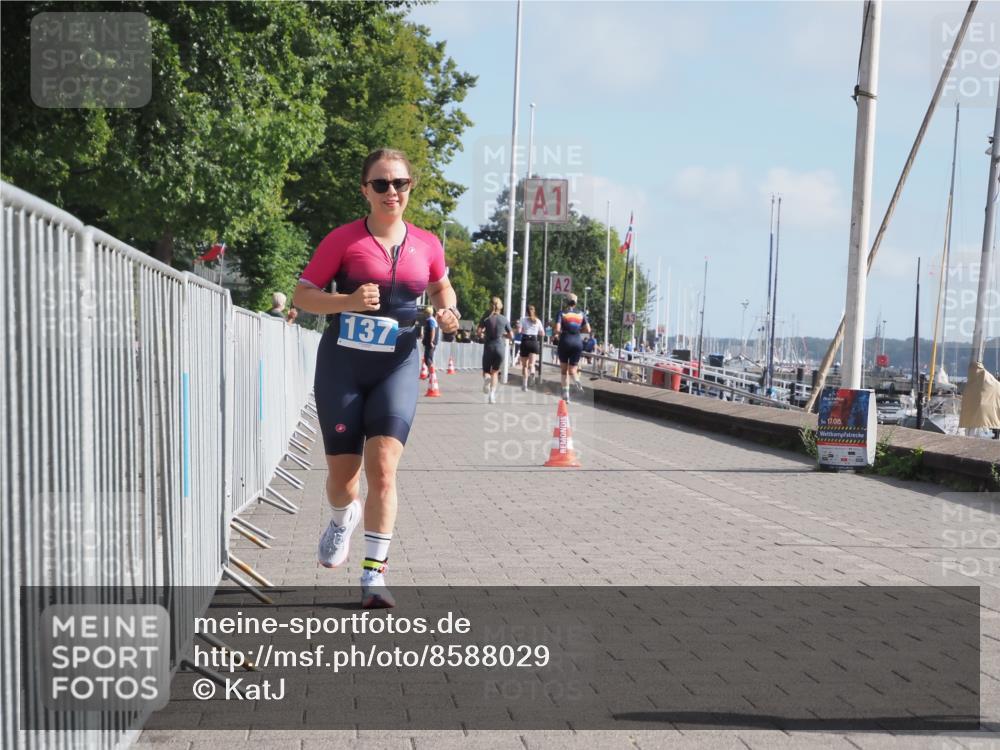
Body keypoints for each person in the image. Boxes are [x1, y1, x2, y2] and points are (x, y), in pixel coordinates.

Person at [292, 148, 460, 609]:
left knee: (383, 469)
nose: (392, 192)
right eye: (381, 184)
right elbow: (303, 296)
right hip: (343, 364)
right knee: (342, 479)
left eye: (400, 183)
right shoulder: (343, 241)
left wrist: (449, 311)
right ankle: (341, 518)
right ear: (365, 189)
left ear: (410, 188)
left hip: (398, 363)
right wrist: (345, 300)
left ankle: (374, 575)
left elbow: (441, 284)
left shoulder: (427, 243)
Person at [554, 294, 591, 402]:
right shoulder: (581, 314)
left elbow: (557, 329)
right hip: (577, 342)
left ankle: (566, 396)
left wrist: (559, 333)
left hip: (565, 341)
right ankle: (577, 382)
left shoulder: (562, 313)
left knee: (564, 371)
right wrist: (578, 331)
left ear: (567, 302)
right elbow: (588, 330)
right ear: (576, 302)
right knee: (573, 370)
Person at [477, 297, 512, 403]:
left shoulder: (486, 318)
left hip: (489, 347)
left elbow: (479, 332)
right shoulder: (504, 319)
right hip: (500, 348)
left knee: (487, 371)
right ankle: (492, 395)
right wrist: (503, 335)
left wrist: (483, 335)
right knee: (495, 372)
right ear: (500, 306)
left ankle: (487, 379)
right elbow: (511, 335)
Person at [516, 304, 544, 391]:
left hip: (525, 341)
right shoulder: (538, 321)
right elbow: (542, 333)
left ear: (526, 312)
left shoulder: (523, 319)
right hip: (534, 342)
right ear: (534, 311)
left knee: (524, 366)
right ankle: (532, 372)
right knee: (532, 364)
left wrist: (521, 329)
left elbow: (519, 331)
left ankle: (524, 385)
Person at [421, 305, 439, 372]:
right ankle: (429, 373)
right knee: (427, 358)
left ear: (428, 313)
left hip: (430, 343)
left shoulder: (430, 320)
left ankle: (431, 373)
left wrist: (431, 341)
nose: (424, 314)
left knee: (428, 358)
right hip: (428, 342)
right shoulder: (432, 320)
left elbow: (433, 330)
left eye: (425, 313)